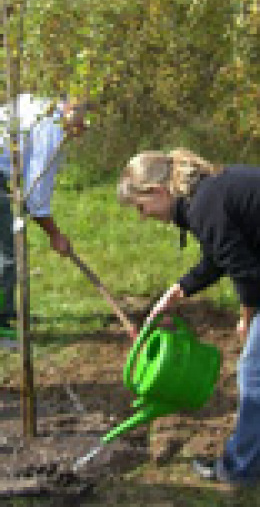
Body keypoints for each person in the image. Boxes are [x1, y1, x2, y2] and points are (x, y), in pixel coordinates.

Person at [117, 147, 260, 486]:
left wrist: (247, 317)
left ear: (158, 191)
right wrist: (178, 291)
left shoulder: (205, 205)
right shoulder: (206, 194)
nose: (142, 215)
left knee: (253, 375)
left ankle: (241, 468)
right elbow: (219, 256)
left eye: (141, 207)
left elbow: (247, 273)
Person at [0, 93, 90, 344]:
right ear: (71, 111)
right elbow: (36, 195)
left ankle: (5, 309)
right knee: (3, 257)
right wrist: (55, 235)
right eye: (84, 120)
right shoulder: (51, 129)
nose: (84, 129)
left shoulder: (39, 107)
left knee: (8, 249)